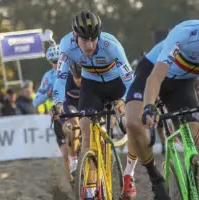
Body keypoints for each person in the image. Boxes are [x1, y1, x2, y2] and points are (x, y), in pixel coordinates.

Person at [124, 0, 199, 199]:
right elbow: (155, 78)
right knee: (133, 123)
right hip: (153, 73)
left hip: (183, 83)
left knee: (197, 137)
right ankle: (155, 178)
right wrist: (149, 106)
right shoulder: (184, 34)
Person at [52, 10, 135, 200]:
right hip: (91, 87)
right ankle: (89, 190)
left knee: (133, 123)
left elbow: (131, 81)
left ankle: (130, 175)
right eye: (84, 40)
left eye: (93, 39)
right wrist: (57, 102)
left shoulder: (112, 46)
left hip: (117, 85)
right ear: (75, 37)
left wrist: (122, 101)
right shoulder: (66, 45)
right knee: (86, 131)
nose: (89, 45)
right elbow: (61, 78)